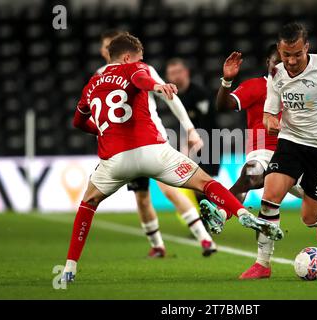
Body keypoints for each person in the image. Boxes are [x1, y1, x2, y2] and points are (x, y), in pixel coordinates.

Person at [61, 34, 283, 282]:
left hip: (114, 160)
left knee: (88, 203)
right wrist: (157, 86)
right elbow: (142, 79)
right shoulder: (134, 68)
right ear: (127, 58)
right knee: (204, 182)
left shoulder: (91, 83)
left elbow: (77, 121)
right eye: (139, 57)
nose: (142, 61)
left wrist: (101, 130)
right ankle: (241, 213)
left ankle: (69, 267)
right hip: (152, 150)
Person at [201, 22, 317, 279]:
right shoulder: (276, 74)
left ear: (307, 47)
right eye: (287, 55)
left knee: (309, 217)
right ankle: (262, 264)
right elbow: (269, 115)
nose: (292, 61)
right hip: (290, 144)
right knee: (269, 195)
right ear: (279, 51)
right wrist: (270, 122)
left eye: (297, 54)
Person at [100, 30, 215, 258]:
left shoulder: (144, 70)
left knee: (171, 191)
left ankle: (205, 239)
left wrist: (190, 128)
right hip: (125, 149)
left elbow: (169, 97)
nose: (106, 49)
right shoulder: (99, 76)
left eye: (109, 45)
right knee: (141, 197)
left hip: (153, 143)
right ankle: (157, 246)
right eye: (104, 46)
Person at [165, 58, 221, 203]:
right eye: (172, 73)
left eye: (178, 71)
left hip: (209, 145)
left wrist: (190, 147)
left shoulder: (200, 94)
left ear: (186, 72)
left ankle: (211, 219)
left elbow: (207, 125)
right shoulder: (174, 97)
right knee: (197, 190)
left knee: (203, 187)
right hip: (190, 147)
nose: (176, 76)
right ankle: (206, 221)